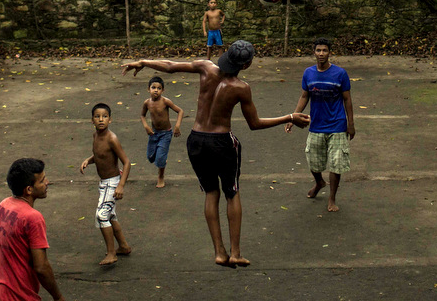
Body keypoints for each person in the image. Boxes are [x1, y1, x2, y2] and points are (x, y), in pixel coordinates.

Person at [121, 40, 310, 267]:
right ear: (247, 65)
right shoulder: (241, 88)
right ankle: (236, 252)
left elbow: (170, 65)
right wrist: (290, 117)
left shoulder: (205, 67)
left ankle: (219, 252)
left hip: (196, 141)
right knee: (232, 192)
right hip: (221, 142)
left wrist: (143, 62)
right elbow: (255, 123)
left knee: (211, 193)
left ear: (226, 55)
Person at [0, 158, 67, 301]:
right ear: (29, 189)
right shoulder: (32, 218)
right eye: (42, 181)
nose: (47, 183)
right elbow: (41, 268)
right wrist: (58, 296)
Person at [285, 37, 355, 212]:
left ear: (329, 53)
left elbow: (347, 99)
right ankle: (319, 182)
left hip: (337, 124)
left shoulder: (340, 74)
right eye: (318, 50)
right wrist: (293, 117)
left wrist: (351, 123)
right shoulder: (308, 73)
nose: (321, 53)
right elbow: (304, 96)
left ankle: (332, 198)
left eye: (324, 50)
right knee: (313, 161)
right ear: (314, 52)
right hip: (316, 124)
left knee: (336, 163)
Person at [79, 103, 132, 266]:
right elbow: (100, 154)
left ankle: (111, 253)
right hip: (103, 182)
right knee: (110, 215)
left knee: (102, 216)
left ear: (110, 120)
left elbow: (127, 162)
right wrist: (89, 160)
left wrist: (121, 185)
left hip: (112, 182)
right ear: (92, 120)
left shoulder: (112, 138)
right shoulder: (96, 136)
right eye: (97, 116)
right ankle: (123, 246)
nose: (101, 119)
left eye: (104, 116)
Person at [139, 76, 184, 188]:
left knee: (160, 159)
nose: (156, 90)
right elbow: (142, 115)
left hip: (166, 134)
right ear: (148, 89)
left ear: (162, 90)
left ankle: (161, 176)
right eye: (153, 87)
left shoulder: (165, 101)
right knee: (150, 157)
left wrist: (177, 125)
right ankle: (162, 160)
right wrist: (146, 126)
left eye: (159, 88)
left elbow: (180, 111)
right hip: (154, 133)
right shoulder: (147, 103)